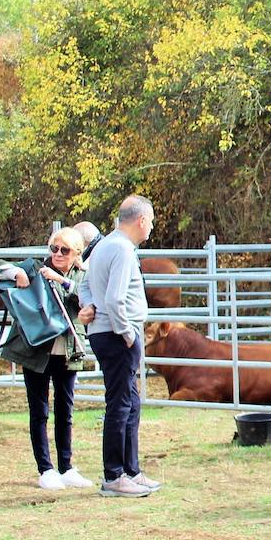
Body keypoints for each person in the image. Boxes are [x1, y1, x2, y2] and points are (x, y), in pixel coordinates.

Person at [0, 226, 94, 490]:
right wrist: (17, 272)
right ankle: (45, 468)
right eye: (54, 248)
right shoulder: (35, 267)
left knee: (65, 409)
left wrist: (60, 281)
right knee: (39, 411)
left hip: (68, 350)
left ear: (77, 253)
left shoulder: (83, 276)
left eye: (65, 250)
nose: (58, 254)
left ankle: (66, 466)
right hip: (36, 351)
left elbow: (84, 300)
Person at [80, 195, 159, 498]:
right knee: (120, 403)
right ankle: (114, 474)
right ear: (140, 221)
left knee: (130, 401)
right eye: (150, 221)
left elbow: (84, 285)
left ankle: (131, 470)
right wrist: (126, 331)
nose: (150, 228)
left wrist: (89, 305)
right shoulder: (122, 250)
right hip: (116, 335)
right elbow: (114, 298)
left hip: (107, 332)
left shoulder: (104, 246)